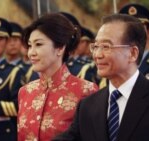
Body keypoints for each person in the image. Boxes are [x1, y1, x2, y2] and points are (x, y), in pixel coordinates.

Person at [53, 13, 149, 141]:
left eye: (106, 46)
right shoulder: (87, 106)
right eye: (95, 46)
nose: (97, 55)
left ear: (132, 53)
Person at [18, 13, 99, 141]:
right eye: (29, 45)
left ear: (60, 48)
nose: (31, 53)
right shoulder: (25, 92)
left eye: (38, 44)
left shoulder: (86, 91)